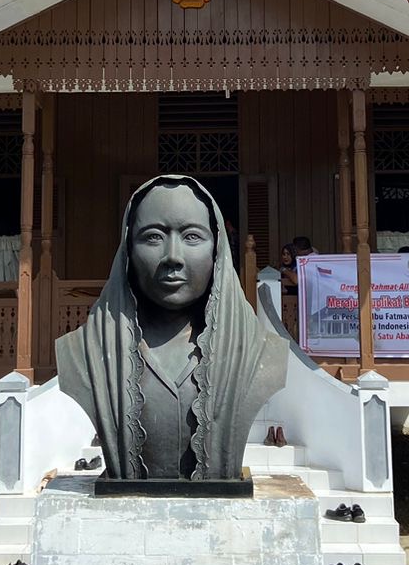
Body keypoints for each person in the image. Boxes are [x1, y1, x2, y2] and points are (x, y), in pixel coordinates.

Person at [55, 175, 288, 480]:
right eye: (153, 237)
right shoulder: (84, 352)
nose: (173, 257)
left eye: (192, 236)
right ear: (128, 250)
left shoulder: (260, 352)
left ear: (217, 250)